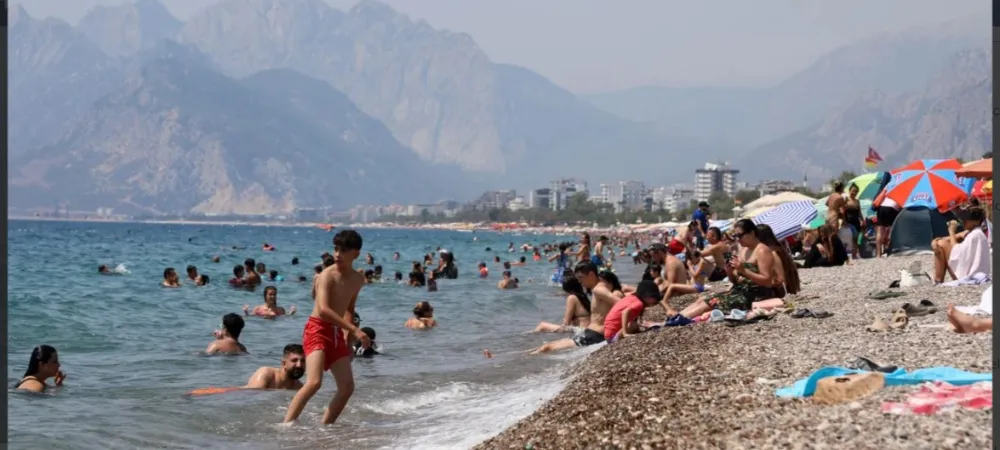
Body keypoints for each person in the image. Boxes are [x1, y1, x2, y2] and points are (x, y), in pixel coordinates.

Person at [285, 230, 368, 425]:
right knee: (314, 382)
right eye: (336, 249)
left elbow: (349, 309)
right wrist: (355, 330)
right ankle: (286, 424)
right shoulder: (327, 275)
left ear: (355, 253)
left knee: (347, 387)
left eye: (343, 250)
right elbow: (323, 310)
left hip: (337, 332)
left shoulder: (358, 279)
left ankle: (326, 427)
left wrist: (348, 338)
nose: (337, 254)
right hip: (317, 329)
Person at [676, 219, 780, 318]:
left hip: (755, 295)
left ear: (752, 233)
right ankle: (676, 316)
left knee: (710, 303)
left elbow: (767, 281)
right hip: (740, 290)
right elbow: (735, 280)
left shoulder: (762, 251)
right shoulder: (744, 250)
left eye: (740, 235)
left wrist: (744, 271)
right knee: (702, 300)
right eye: (736, 236)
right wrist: (729, 271)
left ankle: (680, 320)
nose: (738, 239)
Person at [530, 262, 618, 355]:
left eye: (581, 277)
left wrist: (622, 329)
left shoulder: (598, 289)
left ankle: (526, 359)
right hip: (592, 333)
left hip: (594, 335)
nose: (579, 281)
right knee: (546, 346)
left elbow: (620, 302)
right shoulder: (598, 289)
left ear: (591, 274)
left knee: (546, 348)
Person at [933, 207, 989, 284]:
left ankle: (938, 280)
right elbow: (953, 237)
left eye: (967, 219)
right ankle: (938, 280)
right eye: (963, 219)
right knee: (940, 242)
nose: (964, 221)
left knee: (941, 244)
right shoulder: (973, 232)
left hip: (966, 274)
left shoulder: (976, 235)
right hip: (969, 271)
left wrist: (951, 232)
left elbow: (956, 250)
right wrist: (936, 240)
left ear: (976, 222)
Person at [843, 183, 865, 259]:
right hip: (848, 222)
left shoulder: (857, 201)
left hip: (856, 222)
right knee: (848, 238)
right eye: (853, 191)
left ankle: (854, 256)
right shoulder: (846, 200)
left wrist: (863, 220)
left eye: (856, 191)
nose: (854, 193)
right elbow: (842, 211)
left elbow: (859, 212)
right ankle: (844, 256)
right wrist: (844, 221)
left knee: (855, 239)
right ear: (849, 191)